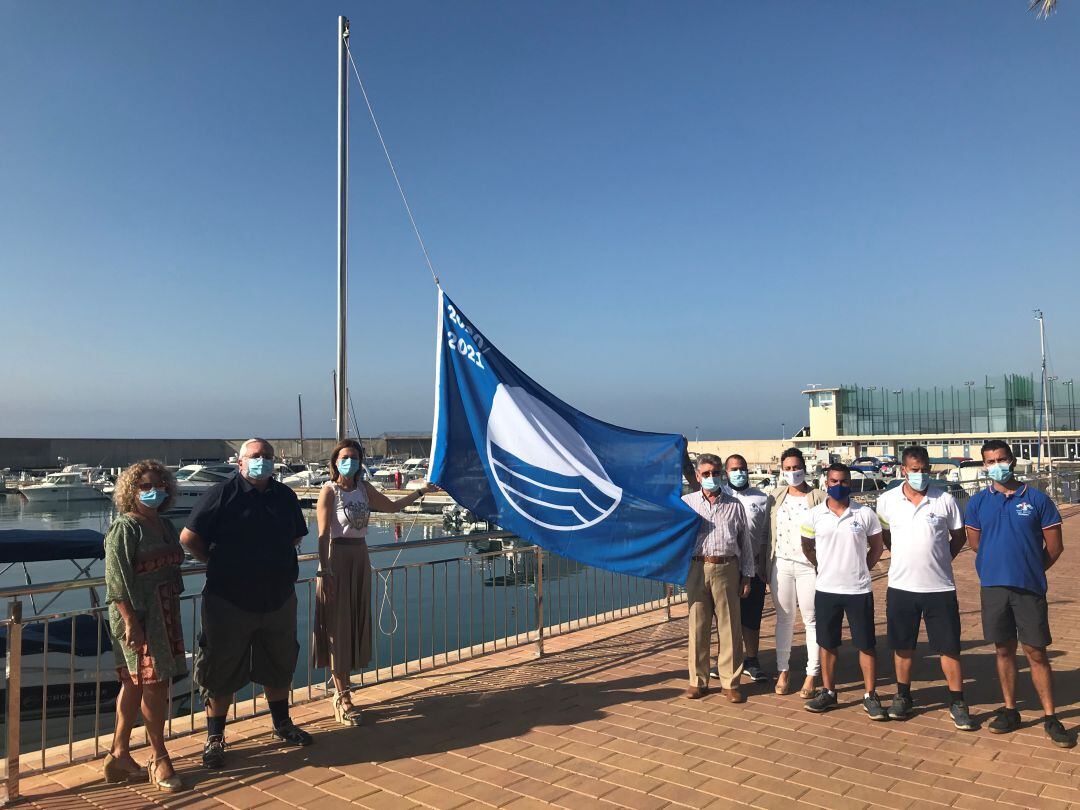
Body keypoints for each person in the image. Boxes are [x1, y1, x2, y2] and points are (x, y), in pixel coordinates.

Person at [180, 438, 312, 770]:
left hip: (278, 597)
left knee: (279, 662)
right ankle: (215, 737)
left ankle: (281, 723)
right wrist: (216, 561)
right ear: (241, 462)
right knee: (219, 669)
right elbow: (188, 538)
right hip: (229, 600)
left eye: (267, 456)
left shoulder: (285, 496)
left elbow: (296, 536)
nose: (262, 461)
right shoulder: (221, 494)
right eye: (256, 456)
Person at [314, 439, 435, 725]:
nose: (350, 462)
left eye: (355, 457)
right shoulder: (329, 491)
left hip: (360, 556)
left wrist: (421, 491)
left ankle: (346, 688)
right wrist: (325, 571)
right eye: (345, 457)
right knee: (337, 627)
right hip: (337, 558)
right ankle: (342, 696)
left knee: (355, 622)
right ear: (335, 461)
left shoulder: (364, 489)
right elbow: (321, 535)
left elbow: (392, 507)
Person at [964, 440, 1071, 748]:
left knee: (1036, 652)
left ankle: (1051, 717)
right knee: (1003, 650)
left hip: (1029, 589)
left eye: (1001, 458)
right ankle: (1011, 710)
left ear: (1011, 460)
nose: (996, 464)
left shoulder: (1037, 499)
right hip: (994, 588)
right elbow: (975, 543)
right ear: (984, 466)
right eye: (989, 461)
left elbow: (1055, 547)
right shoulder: (978, 502)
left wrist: (1031, 570)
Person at [103, 460, 186, 791]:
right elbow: (116, 580)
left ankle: (119, 754)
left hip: (166, 609)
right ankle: (159, 756)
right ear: (131, 491)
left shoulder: (164, 524)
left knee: (136, 683)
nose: (155, 491)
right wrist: (131, 623)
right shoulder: (125, 528)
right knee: (154, 682)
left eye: (160, 485)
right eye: (146, 486)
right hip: (138, 615)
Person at [876, 446, 973, 729]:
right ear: (903, 470)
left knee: (949, 647)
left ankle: (957, 701)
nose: (920, 474)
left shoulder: (944, 500)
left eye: (924, 469)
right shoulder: (886, 501)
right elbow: (885, 536)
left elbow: (958, 537)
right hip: (901, 586)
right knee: (903, 645)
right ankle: (903, 695)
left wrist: (942, 558)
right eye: (914, 470)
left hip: (939, 587)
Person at [801, 463, 886, 718]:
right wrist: (822, 566)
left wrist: (862, 568)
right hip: (826, 589)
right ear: (826, 483)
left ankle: (870, 694)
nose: (839, 486)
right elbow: (807, 547)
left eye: (844, 482)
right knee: (827, 643)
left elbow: (878, 547)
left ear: (850, 484)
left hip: (858, 590)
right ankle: (828, 691)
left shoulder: (865, 514)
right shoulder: (814, 515)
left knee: (866, 644)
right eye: (834, 481)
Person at [681, 454, 754, 703]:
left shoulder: (735, 505)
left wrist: (747, 575)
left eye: (715, 473)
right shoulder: (686, 503)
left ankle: (730, 682)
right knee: (697, 626)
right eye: (706, 474)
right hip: (697, 567)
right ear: (698, 476)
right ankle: (697, 681)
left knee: (730, 626)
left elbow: (745, 543)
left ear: (721, 474)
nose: (711, 478)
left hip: (727, 568)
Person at [767, 448, 825, 698]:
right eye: (788, 468)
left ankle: (812, 673)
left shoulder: (818, 497)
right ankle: (783, 670)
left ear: (805, 467)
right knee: (784, 620)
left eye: (796, 468)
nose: (792, 473)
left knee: (811, 620)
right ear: (782, 470)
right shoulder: (776, 496)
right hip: (781, 564)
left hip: (809, 566)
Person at [721, 454, 772, 684]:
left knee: (751, 617)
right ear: (726, 472)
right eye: (734, 469)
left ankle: (752, 659)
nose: (739, 473)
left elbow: (765, 534)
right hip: (726, 567)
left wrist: (762, 565)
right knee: (725, 618)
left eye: (742, 468)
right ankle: (727, 660)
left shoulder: (762, 499)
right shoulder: (719, 495)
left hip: (752, 568)